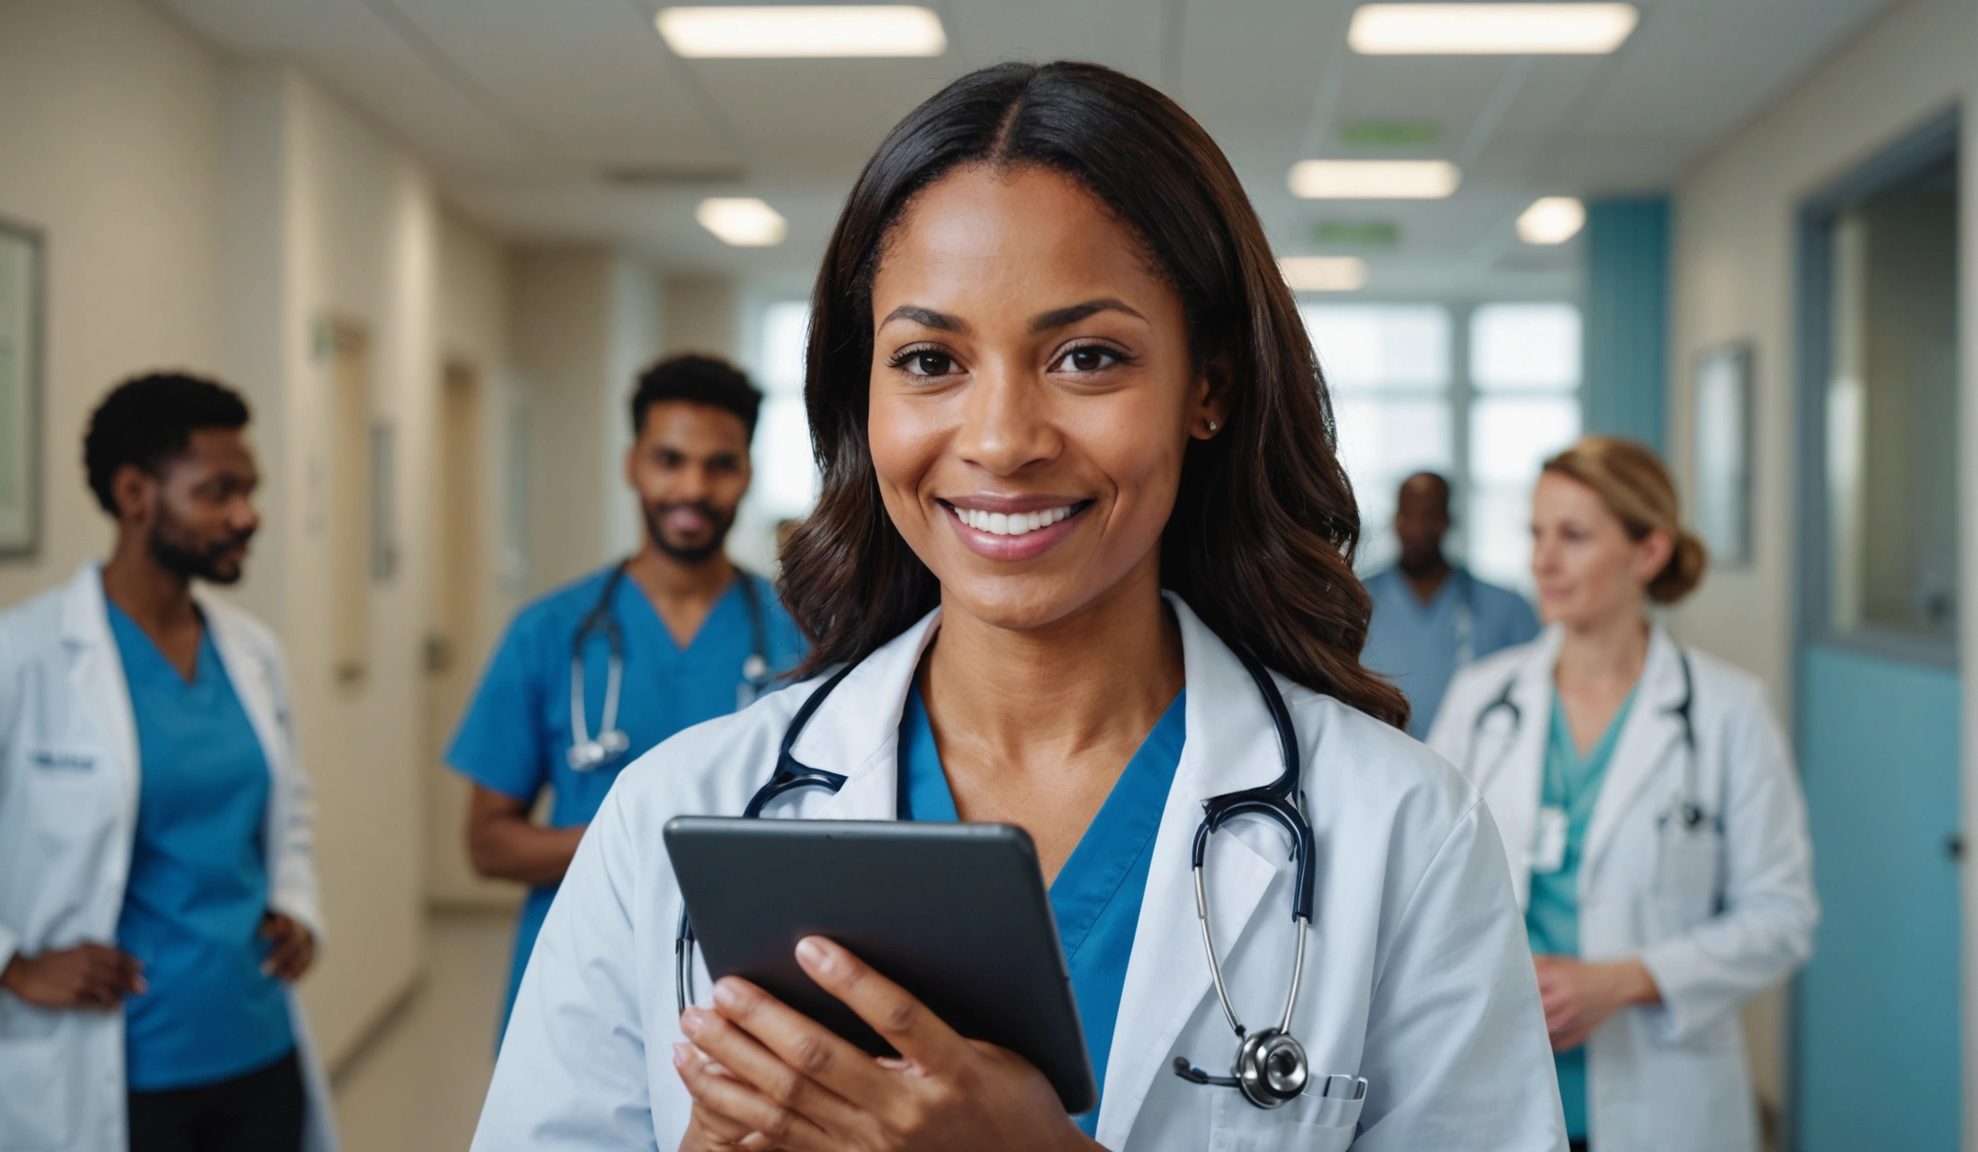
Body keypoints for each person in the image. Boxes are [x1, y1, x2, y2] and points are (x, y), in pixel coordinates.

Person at [473, 62, 1564, 1152]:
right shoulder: (665, 816)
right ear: (865, 395)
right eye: (930, 359)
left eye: (1087, 357)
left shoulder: (1402, 832)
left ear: (1210, 387)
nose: (1001, 440)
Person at [0, 373, 339, 1152]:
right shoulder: (18, 656)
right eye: (219, 492)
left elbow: (289, 808)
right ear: (134, 494)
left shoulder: (251, 653)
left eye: (250, 492)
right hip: (111, 1070)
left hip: (257, 1051)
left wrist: (297, 902)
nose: (247, 517)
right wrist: (5, 966)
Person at [1427, 437, 1817, 1152]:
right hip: (1495, 1081)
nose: (1542, 561)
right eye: (1537, 535)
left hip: (1661, 1093)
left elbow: (1783, 914)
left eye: (1573, 537)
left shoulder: (1729, 712)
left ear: (1648, 553)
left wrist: (1628, 980)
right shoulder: (1482, 701)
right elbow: (1425, 887)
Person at [446, 353, 805, 1036]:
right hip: (578, 971)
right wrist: (647, 843)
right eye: (669, 459)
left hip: (749, 987)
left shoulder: (804, 639)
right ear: (633, 464)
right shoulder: (550, 633)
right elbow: (489, 844)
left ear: (747, 475)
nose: (692, 487)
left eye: (719, 464)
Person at [1362, 472, 1539, 740]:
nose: (1416, 528)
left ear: (1448, 521)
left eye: (1429, 515)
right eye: (1407, 515)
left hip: (1477, 770)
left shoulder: (1506, 609)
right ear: (1394, 520)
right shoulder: (1352, 604)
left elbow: (1537, 697)